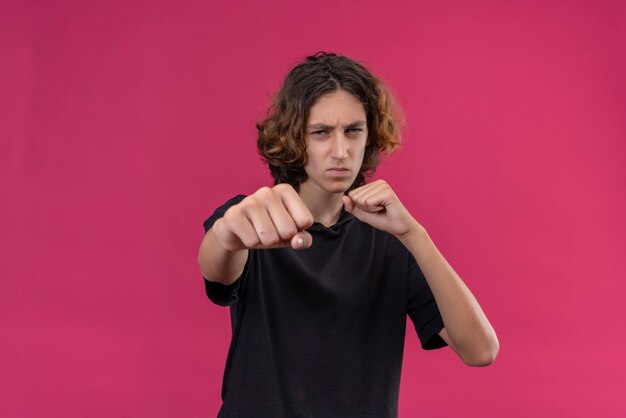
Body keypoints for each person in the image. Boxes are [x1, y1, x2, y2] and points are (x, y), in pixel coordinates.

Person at [197, 52, 499, 417]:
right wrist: (229, 232)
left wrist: (414, 235)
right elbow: (216, 266)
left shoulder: (392, 240)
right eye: (321, 132)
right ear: (295, 137)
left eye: (353, 131)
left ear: (369, 135)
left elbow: (481, 350)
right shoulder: (258, 217)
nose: (340, 151)